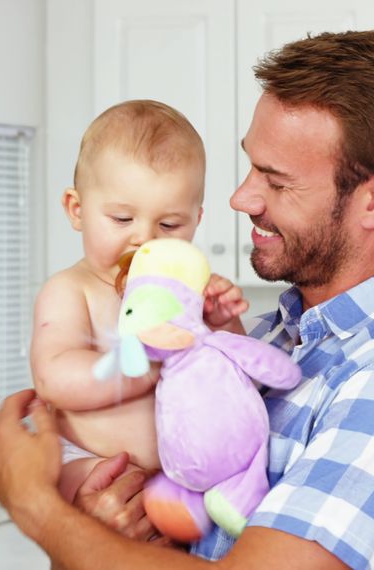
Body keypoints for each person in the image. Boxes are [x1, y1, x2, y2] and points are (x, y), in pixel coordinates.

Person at [0, 30, 374, 569]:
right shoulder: (265, 337)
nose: (240, 198)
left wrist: (35, 504)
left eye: (276, 180)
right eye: (251, 166)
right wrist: (94, 529)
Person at [30, 99, 248, 510]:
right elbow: (54, 378)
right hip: (91, 462)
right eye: (121, 219)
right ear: (77, 210)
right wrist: (149, 367)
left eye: (169, 225)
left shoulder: (187, 291)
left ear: (196, 220)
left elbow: (231, 375)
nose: (144, 239)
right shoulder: (71, 290)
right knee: (78, 487)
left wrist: (221, 324)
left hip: (176, 476)